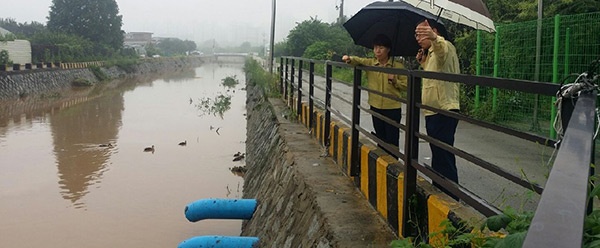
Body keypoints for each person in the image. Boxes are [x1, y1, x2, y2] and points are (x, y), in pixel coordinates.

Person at [415, 19, 461, 200]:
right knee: (438, 154)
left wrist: (435, 38)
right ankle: (441, 192)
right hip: (432, 111)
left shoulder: (445, 47)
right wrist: (423, 63)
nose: (417, 38)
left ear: (433, 31)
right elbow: (435, 77)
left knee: (444, 155)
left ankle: (451, 198)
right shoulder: (431, 54)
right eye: (416, 34)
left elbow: (442, 51)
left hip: (443, 110)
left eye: (420, 33)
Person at [341, 34, 407, 157]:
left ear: (388, 49)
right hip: (375, 105)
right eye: (376, 47)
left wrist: (395, 81)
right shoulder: (371, 63)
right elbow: (358, 60)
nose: (377, 51)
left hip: (392, 107)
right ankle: (381, 162)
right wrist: (348, 59)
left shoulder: (397, 66)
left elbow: (406, 85)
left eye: (381, 48)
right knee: (380, 137)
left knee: (392, 138)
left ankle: (393, 165)